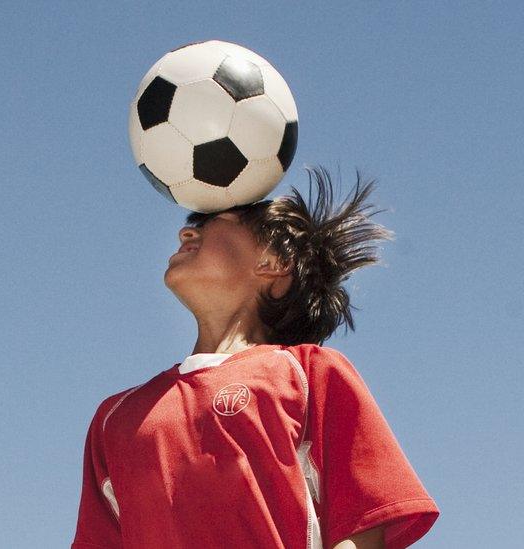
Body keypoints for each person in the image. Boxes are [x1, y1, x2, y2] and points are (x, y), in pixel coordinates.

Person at [71, 166, 439, 548]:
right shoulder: (116, 418)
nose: (185, 231)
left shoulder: (310, 374)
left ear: (273, 263)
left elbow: (361, 531)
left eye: (217, 222)